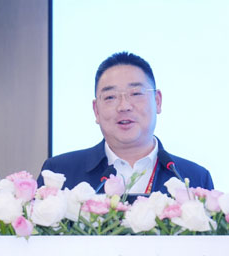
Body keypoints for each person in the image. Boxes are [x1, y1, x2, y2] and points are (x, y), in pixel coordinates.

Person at [38, 51, 214, 194]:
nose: (124, 106)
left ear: (157, 101)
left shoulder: (194, 178)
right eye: (110, 97)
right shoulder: (59, 174)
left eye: (136, 93)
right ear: (96, 110)